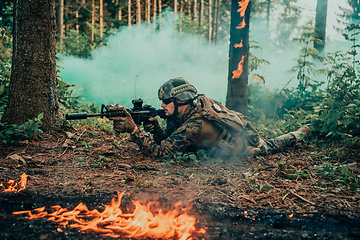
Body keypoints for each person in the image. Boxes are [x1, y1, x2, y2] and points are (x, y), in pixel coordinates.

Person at [107, 77, 310, 159]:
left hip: (242, 147)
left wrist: (134, 130)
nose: (162, 105)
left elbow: (161, 154)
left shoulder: (194, 125)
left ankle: (299, 133)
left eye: (167, 101)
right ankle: (298, 133)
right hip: (219, 142)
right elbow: (167, 142)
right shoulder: (182, 116)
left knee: (269, 146)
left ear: (180, 101)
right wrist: (156, 128)